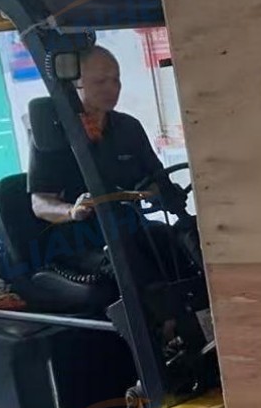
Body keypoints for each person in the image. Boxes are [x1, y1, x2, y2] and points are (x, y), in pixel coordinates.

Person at [27, 45, 195, 281]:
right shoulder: (54, 134)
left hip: (129, 229)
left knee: (181, 246)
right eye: (100, 82)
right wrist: (72, 211)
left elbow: (155, 179)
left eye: (116, 80)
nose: (111, 88)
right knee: (133, 264)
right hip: (78, 245)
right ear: (76, 83)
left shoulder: (129, 127)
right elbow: (40, 204)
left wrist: (159, 193)